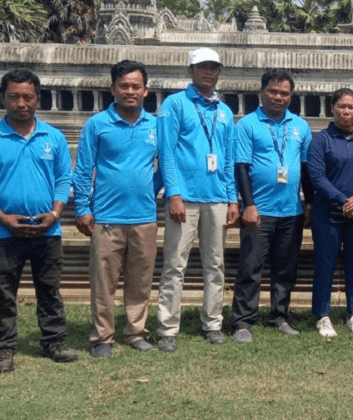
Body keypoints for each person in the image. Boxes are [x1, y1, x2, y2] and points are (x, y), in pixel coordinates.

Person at [0, 69, 78, 375]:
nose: (21, 103)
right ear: (3, 98)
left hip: (48, 229)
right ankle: (3, 348)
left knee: (50, 290)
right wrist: (2, 218)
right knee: (3, 294)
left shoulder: (53, 137)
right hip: (5, 231)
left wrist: (55, 214)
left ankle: (54, 342)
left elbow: (63, 179)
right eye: (14, 96)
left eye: (28, 97)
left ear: (38, 99)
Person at [73, 60, 163, 358]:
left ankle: (136, 331)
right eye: (123, 86)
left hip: (145, 216)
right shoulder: (98, 124)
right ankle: (102, 337)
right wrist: (83, 208)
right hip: (107, 216)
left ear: (145, 90)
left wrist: (150, 189)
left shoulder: (156, 125)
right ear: (113, 89)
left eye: (136, 86)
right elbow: (84, 169)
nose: (130, 91)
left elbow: (166, 166)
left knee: (140, 280)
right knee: (104, 281)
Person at [155, 47, 238, 352]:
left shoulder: (224, 111)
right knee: (175, 265)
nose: (208, 72)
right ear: (189, 71)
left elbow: (227, 159)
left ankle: (212, 322)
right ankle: (167, 327)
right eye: (202, 67)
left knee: (215, 265)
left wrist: (232, 199)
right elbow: (166, 153)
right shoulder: (174, 105)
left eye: (214, 68)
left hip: (216, 196)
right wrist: (173, 194)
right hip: (185, 198)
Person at [231, 69, 314, 342]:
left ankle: (279, 315)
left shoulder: (299, 126)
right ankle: (243, 321)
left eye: (284, 93)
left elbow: (305, 168)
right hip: (259, 211)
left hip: (291, 210)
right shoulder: (247, 125)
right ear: (261, 92)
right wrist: (249, 205)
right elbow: (241, 167)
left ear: (291, 96)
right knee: (250, 268)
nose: (279, 97)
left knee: (285, 268)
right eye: (273, 92)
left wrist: (309, 203)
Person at [307, 88, 353, 337]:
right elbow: (316, 177)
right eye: (341, 106)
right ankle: (322, 315)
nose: (346, 111)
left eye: (351, 107)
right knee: (325, 265)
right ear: (333, 108)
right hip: (327, 214)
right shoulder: (322, 140)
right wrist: (343, 200)